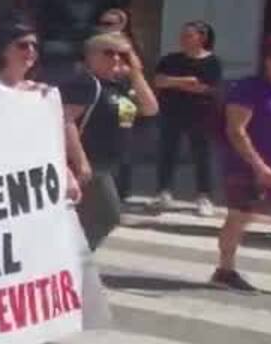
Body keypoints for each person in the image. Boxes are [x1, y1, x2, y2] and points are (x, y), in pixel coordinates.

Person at [61, 32, 159, 250]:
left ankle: (72, 262)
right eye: (109, 52)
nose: (116, 58)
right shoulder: (86, 83)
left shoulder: (119, 86)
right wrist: (81, 161)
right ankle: (75, 261)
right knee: (107, 215)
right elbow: (66, 121)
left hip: (110, 164)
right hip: (88, 165)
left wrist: (135, 72)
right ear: (91, 55)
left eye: (121, 54)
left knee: (91, 219)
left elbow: (150, 108)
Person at [212, 33, 271, 293]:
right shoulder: (248, 88)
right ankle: (225, 270)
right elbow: (236, 131)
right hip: (245, 166)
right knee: (240, 217)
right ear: (267, 60)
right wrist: (259, 166)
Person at [152, 21, 223, 216]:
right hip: (171, 112)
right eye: (182, 35)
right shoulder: (170, 59)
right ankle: (163, 192)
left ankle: (204, 196)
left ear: (202, 38)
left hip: (201, 114)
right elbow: (158, 81)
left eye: (188, 36)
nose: (182, 39)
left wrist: (172, 82)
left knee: (202, 156)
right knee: (167, 152)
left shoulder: (212, 62)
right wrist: (186, 81)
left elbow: (205, 87)